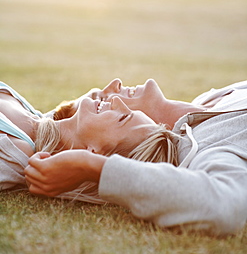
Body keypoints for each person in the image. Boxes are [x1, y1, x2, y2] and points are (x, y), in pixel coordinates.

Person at [25, 80, 247, 236]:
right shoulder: (211, 147)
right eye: (102, 101)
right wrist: (93, 167)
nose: (113, 96)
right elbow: (223, 207)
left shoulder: (212, 98)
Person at [0, 80, 178, 203]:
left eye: (122, 118)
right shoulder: (34, 117)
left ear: (94, 153)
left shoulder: (11, 152)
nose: (117, 101)